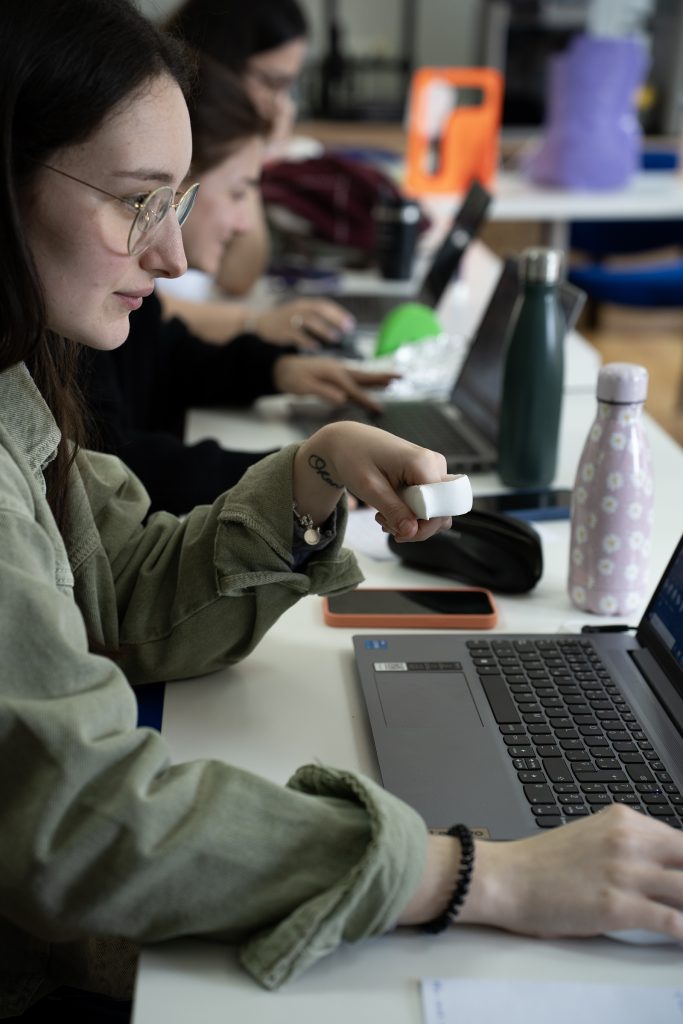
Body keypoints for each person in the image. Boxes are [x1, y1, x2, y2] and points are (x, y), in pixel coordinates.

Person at [2, 0, 683, 1020]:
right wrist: (474, 875)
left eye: (178, 200)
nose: (176, 256)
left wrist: (307, 475)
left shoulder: (17, 386)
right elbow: (86, 824)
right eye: (138, 201)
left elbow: (116, 588)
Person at [81, 59, 397, 515]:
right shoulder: (71, 320)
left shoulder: (118, 292)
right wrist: (305, 476)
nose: (174, 261)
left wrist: (277, 370)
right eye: (237, 191)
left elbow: (167, 359)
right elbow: (117, 464)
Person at [162, 0, 355, 350]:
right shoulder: (173, 140)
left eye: (288, 88)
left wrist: (250, 156)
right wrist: (258, 324)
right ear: (225, 58)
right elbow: (152, 317)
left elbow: (238, 273)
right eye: (271, 82)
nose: (280, 106)